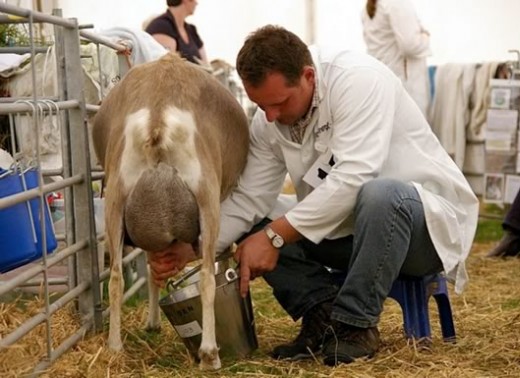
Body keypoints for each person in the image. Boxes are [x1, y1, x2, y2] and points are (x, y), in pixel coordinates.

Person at [149, 25, 479, 366]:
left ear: (308, 76)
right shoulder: (269, 122)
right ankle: (320, 311)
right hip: (349, 235)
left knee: (381, 195)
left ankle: (355, 325)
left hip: (419, 232)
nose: (271, 116)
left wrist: (275, 236)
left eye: (279, 103)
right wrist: (195, 247)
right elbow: (250, 197)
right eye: (261, 105)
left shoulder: (358, 80)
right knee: (257, 220)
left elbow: (354, 176)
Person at [361, 0, 431, 116]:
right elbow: (410, 45)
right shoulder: (397, 2)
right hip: (405, 87)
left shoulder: (368, 8)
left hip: (382, 84)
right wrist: (425, 37)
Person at [144, 0, 208, 65]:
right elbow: (167, 68)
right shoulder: (161, 26)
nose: (196, 3)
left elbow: (206, 65)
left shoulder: (191, 30)